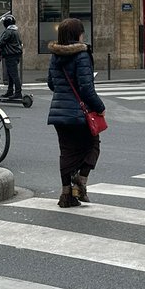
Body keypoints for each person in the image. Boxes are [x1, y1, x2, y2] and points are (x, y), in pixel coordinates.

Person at [47, 17, 105, 207]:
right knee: (93, 145)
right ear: (77, 34)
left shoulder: (55, 54)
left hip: (58, 113)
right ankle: (81, 181)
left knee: (67, 153)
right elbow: (86, 89)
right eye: (82, 32)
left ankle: (66, 195)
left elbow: (51, 84)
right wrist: (100, 107)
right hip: (79, 114)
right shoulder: (82, 54)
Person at [0, 13, 24, 101]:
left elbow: (1, 42)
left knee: (14, 75)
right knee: (11, 74)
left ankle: (18, 93)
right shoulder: (15, 31)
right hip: (15, 55)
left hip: (10, 55)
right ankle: (10, 91)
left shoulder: (8, 32)